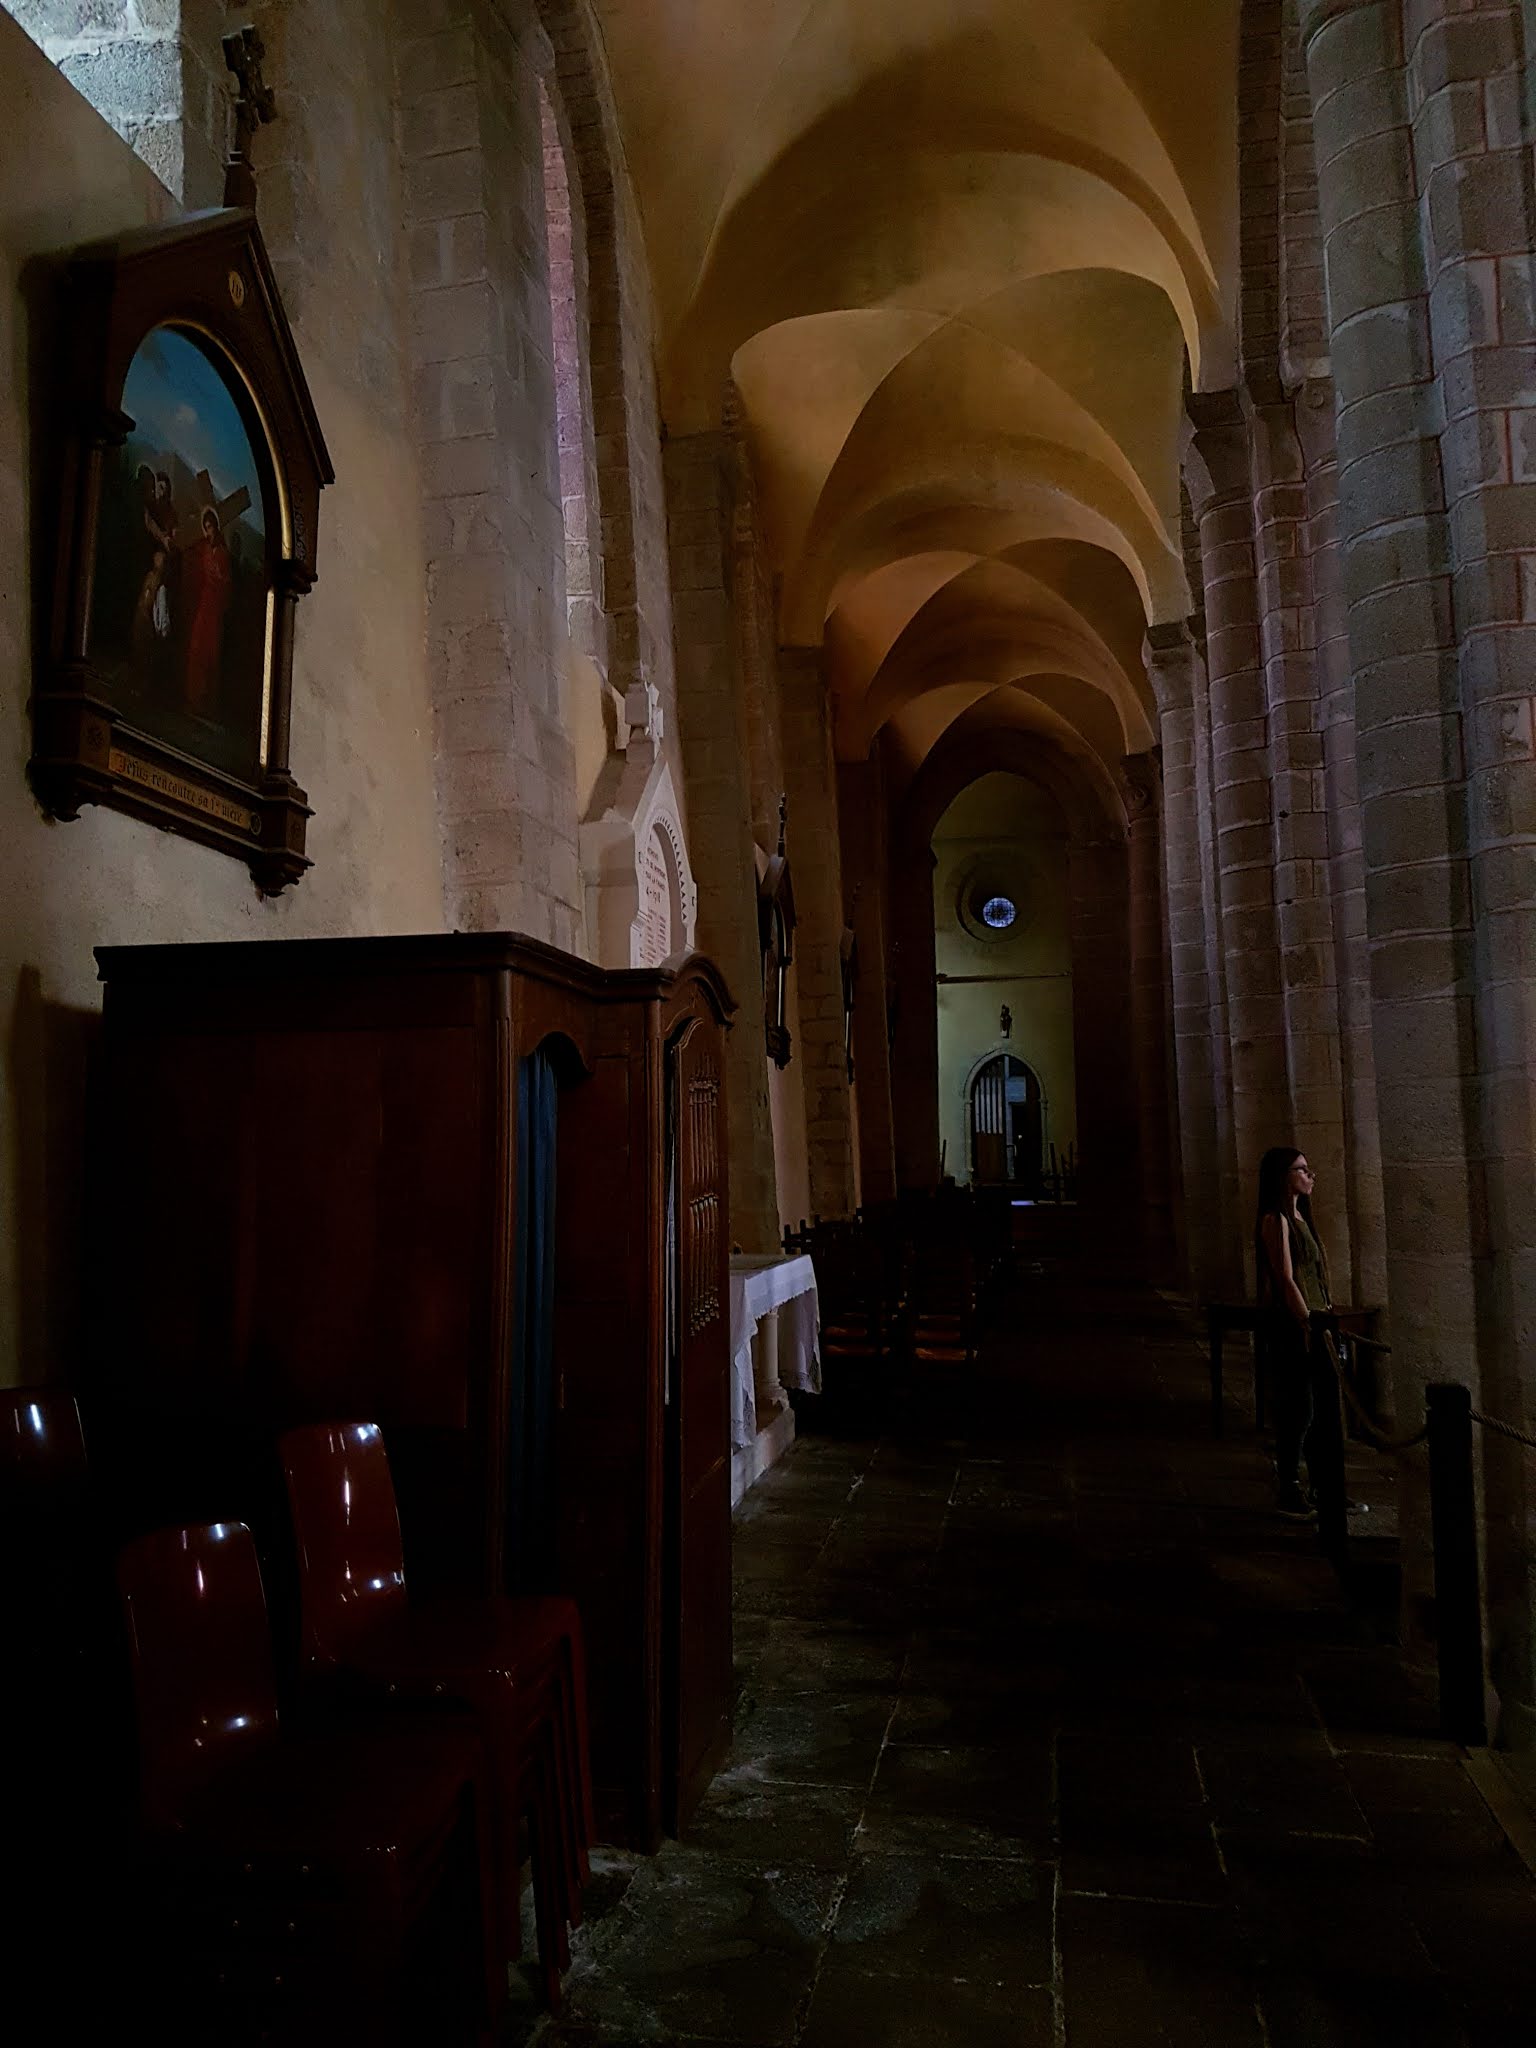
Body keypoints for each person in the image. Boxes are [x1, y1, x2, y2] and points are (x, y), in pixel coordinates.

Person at [1254, 1146, 1331, 1520]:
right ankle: (1289, 1485)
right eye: (1301, 1169)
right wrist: (1305, 1322)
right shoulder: (1276, 1220)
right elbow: (1286, 1279)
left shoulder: (1301, 1217)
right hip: (1296, 1323)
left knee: (1320, 1410)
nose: (1309, 1175)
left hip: (1317, 1317)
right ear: (1282, 1177)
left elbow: (1314, 1273)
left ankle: (1324, 1486)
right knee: (1299, 1410)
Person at [181, 505, 232, 712]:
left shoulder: (222, 553)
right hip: (204, 602)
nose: (209, 531)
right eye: (206, 527)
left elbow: (226, 581)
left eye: (211, 527)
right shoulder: (203, 548)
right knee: (196, 647)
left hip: (214, 606)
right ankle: (193, 696)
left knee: (210, 651)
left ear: (216, 528)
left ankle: (205, 699)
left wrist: (218, 577)